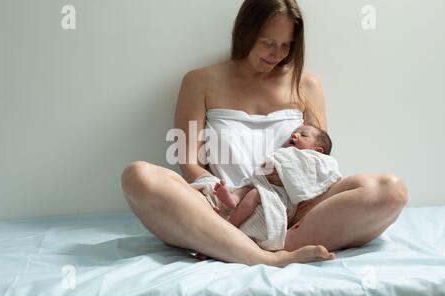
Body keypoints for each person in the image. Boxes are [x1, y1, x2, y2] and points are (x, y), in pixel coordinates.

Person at [121, 0, 408, 267]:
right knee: (138, 177)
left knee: (391, 190)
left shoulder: (307, 86)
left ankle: (251, 246)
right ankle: (264, 255)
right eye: (268, 42)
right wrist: (226, 195)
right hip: (223, 208)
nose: (277, 54)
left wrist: (293, 198)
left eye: (286, 45)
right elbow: (189, 162)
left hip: (293, 209)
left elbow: (316, 161)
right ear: (246, 32)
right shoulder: (199, 81)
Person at [210, 124, 335, 230]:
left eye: (304, 135)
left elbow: (309, 183)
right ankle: (233, 199)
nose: (295, 135)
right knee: (246, 187)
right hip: (265, 186)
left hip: (282, 201)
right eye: (294, 132)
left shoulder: (314, 162)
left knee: (253, 193)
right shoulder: (285, 153)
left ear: (317, 151)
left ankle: (231, 224)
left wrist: (283, 170)